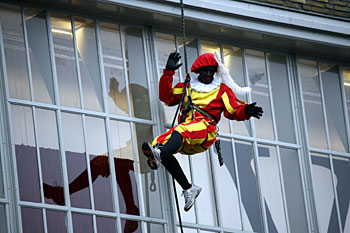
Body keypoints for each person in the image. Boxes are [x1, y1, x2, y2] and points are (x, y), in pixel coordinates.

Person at [142, 51, 263, 212]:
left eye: (212, 71)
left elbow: (233, 111)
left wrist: (247, 111)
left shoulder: (222, 90)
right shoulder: (187, 86)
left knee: (180, 131)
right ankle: (188, 188)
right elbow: (166, 97)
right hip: (188, 132)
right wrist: (168, 72)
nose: (208, 74)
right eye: (205, 70)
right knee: (159, 144)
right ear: (198, 71)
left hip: (205, 129)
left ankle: (158, 155)